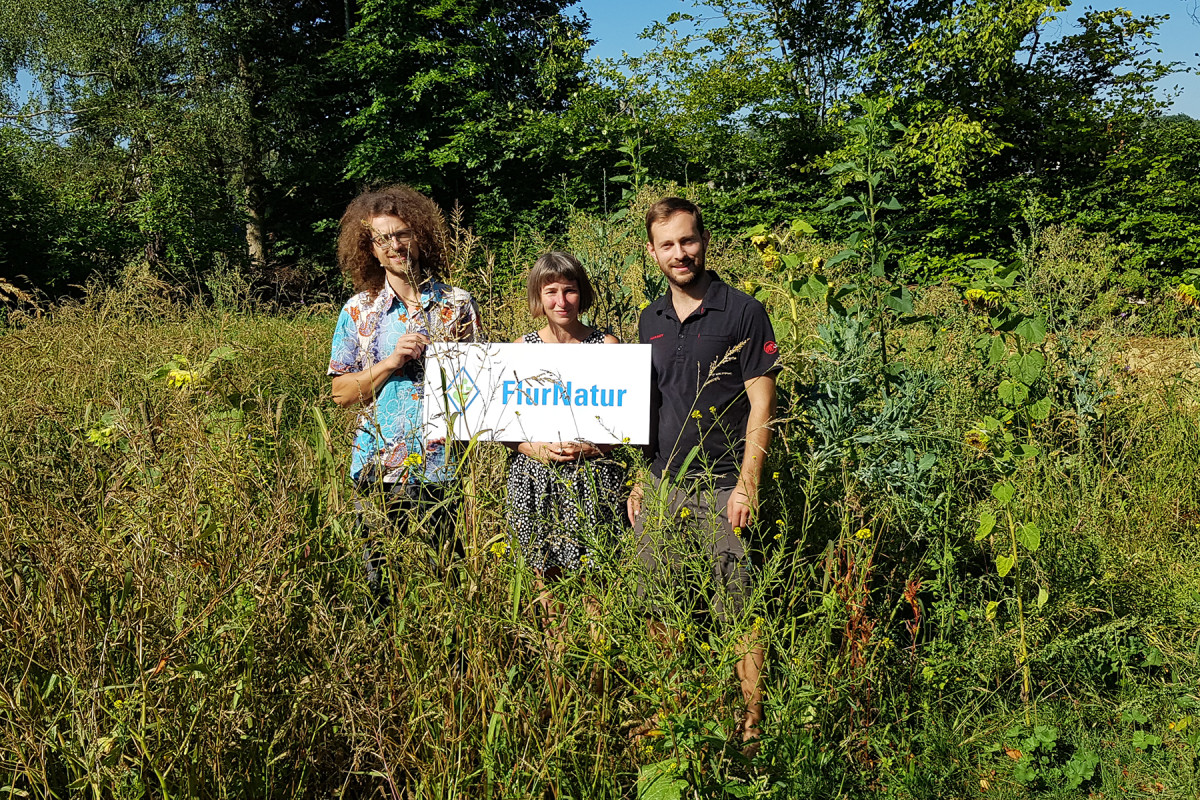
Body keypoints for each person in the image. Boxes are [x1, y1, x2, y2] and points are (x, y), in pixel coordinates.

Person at [626, 197, 778, 747]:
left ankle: (752, 721)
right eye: (667, 244)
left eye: (687, 240)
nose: (679, 253)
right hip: (663, 484)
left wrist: (747, 484)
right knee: (659, 603)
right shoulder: (650, 319)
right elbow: (647, 404)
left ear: (703, 240)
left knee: (738, 606)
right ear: (652, 252)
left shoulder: (742, 311)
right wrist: (642, 477)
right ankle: (676, 708)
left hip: (721, 488)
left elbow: (763, 406)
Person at [327, 185, 481, 602]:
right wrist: (389, 363)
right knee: (378, 585)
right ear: (371, 250)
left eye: (402, 234)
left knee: (448, 581)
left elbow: (481, 389)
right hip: (377, 467)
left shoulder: (457, 304)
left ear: (419, 237)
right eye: (382, 239)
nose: (394, 245)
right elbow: (341, 394)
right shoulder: (357, 311)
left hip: (442, 466)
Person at [504, 251, 624, 586]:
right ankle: (552, 639)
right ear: (538, 298)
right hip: (533, 477)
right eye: (551, 292)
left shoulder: (607, 346)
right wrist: (533, 449)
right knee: (544, 574)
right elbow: (502, 426)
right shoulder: (521, 349)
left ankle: (597, 638)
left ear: (581, 293)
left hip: (593, 477)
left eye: (569, 290)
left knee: (594, 571)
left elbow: (626, 423)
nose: (562, 301)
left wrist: (595, 448)